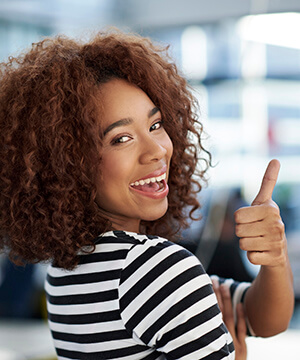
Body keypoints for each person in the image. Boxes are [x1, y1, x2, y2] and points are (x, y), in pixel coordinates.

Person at [0, 29, 294, 359]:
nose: (156, 150)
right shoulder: (155, 268)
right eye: (120, 138)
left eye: (155, 125)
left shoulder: (66, 271)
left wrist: (275, 258)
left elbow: (261, 318)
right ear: (67, 164)